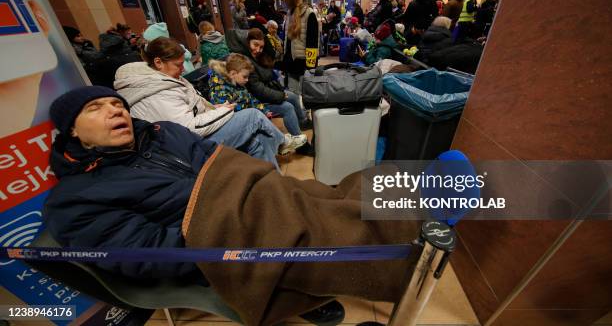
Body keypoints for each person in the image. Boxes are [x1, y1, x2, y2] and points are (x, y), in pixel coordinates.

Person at [44, 85, 420, 325]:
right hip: (214, 241)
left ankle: (418, 205)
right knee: (318, 232)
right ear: (73, 131)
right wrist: (227, 239)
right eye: (97, 108)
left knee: (325, 196)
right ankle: (414, 237)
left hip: (250, 197)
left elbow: (219, 158)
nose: (116, 111)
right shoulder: (74, 199)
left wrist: (257, 192)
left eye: (117, 104)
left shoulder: (162, 133)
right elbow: (144, 253)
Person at [114, 37, 304, 168]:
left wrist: (216, 109)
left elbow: (196, 107)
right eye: (178, 65)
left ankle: (272, 187)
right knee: (253, 117)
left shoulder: (163, 80)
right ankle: (282, 141)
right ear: (158, 62)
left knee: (258, 141)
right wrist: (224, 111)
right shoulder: (156, 91)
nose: (183, 69)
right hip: (186, 147)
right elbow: (189, 127)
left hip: (189, 138)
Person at [240, 29, 314, 153]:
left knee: (294, 96)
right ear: (248, 42)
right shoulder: (245, 61)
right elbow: (258, 90)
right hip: (257, 100)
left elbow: (267, 79)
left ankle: (302, 122)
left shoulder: (258, 56)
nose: (258, 50)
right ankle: (301, 145)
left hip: (266, 93)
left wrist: (281, 92)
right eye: (255, 45)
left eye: (261, 46)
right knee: (287, 107)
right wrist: (280, 95)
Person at [278, 0, 320, 93]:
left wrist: (311, 69)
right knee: (293, 97)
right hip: (290, 65)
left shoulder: (309, 13)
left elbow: (313, 43)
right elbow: (287, 40)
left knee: (306, 99)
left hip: (303, 66)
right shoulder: (289, 13)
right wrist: (284, 63)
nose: (282, 1)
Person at [97, 23, 141, 88]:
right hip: (118, 70)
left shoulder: (116, 40)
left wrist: (131, 44)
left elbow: (122, 51)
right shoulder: (117, 40)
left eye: (130, 33)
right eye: (128, 33)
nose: (130, 35)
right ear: (121, 32)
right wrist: (131, 44)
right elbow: (122, 53)